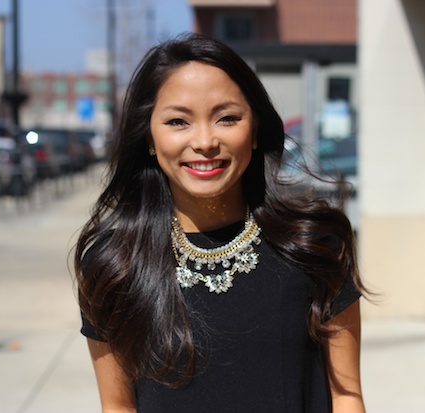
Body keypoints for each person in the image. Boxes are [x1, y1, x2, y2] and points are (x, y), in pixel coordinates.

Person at [74, 33, 367, 413]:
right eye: (178, 121)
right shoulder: (113, 264)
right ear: (149, 136)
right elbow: (118, 406)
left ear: (256, 129)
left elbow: (346, 395)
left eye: (226, 118)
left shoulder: (314, 242)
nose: (205, 141)